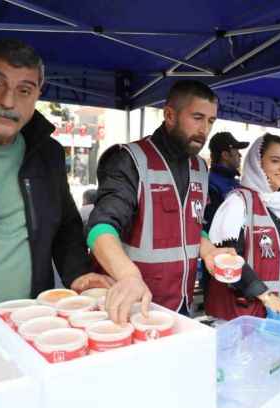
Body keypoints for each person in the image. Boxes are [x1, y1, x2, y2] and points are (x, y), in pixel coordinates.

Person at [0, 39, 111, 316]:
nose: (8, 101)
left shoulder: (47, 153)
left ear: (37, 95)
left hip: (27, 325)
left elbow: (65, 225)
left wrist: (78, 273)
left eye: (24, 90)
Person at [87, 80, 232, 323]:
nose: (204, 130)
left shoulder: (199, 167)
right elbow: (100, 227)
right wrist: (128, 276)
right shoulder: (129, 159)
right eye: (197, 117)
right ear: (169, 115)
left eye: (210, 121)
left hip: (179, 306)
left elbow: (193, 226)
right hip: (130, 309)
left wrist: (209, 251)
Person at [205, 133, 280, 319]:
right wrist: (266, 295)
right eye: (275, 161)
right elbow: (227, 258)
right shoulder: (239, 202)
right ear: (258, 164)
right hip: (243, 314)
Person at [203, 131, 248, 228]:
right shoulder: (211, 184)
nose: (240, 155)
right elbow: (212, 225)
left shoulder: (233, 181)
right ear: (225, 155)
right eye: (236, 151)